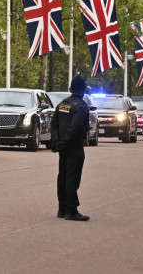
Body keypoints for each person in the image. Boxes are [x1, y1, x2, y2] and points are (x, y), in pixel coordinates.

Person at [50, 74, 91, 222]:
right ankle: (71, 210)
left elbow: (54, 123)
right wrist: (64, 142)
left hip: (63, 146)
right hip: (73, 146)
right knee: (72, 179)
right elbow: (75, 128)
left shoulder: (63, 104)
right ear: (83, 90)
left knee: (63, 176)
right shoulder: (81, 106)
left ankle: (62, 208)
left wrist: (56, 142)